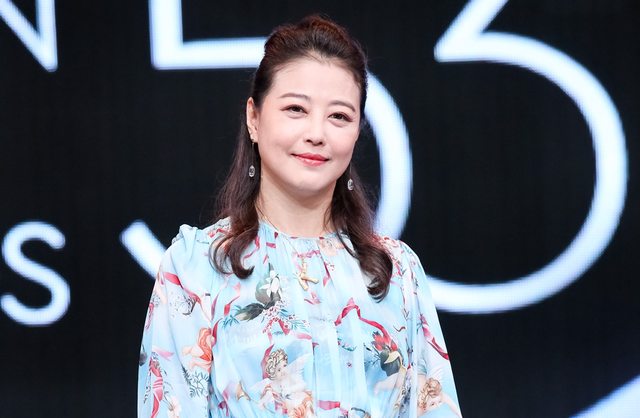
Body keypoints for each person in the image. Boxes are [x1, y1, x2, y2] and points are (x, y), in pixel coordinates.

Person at [138, 15, 462, 418]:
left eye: (339, 116)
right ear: (254, 118)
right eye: (296, 109)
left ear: (357, 131)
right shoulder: (198, 266)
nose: (317, 133)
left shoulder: (396, 271)